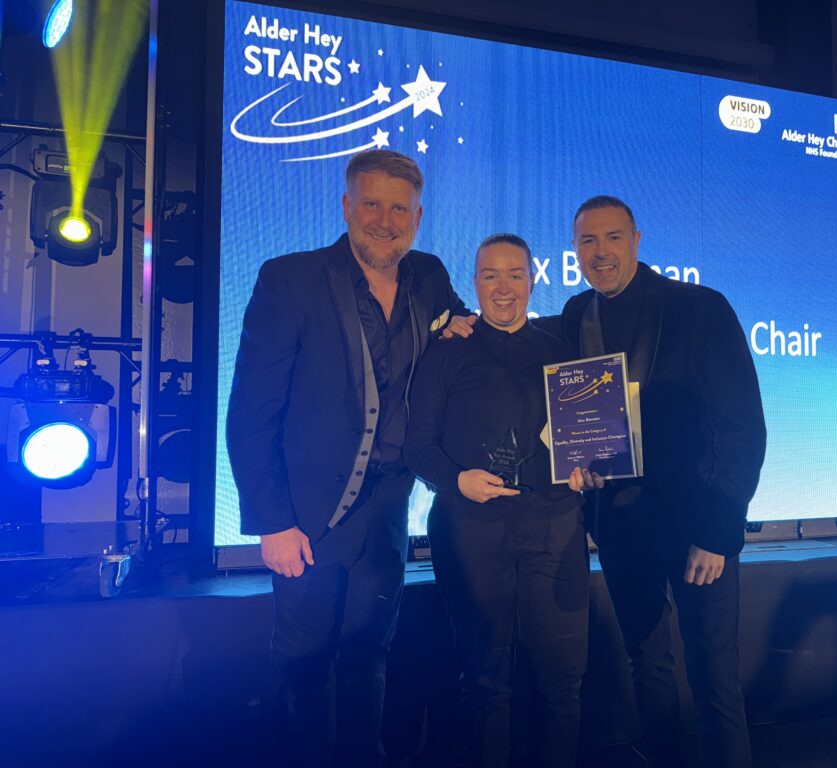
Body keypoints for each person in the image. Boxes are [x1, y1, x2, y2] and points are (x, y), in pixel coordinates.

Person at [226, 149, 475, 767]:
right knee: (302, 664)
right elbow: (252, 412)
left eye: (399, 207)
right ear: (346, 206)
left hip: (388, 512)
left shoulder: (431, 276)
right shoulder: (289, 278)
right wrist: (271, 521)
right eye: (371, 203)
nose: (384, 219)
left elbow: (460, 333)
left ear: (417, 216)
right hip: (305, 519)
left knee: (369, 659)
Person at [548, 196, 767, 768]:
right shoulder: (575, 316)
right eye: (588, 241)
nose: (601, 252)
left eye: (613, 238)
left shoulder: (699, 308)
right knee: (647, 666)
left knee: (715, 676)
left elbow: (741, 425)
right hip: (622, 528)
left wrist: (720, 531)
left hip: (698, 529)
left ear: (637, 241)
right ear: (575, 250)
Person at [404, 234, 599, 768]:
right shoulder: (447, 350)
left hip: (554, 529)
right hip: (471, 534)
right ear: (475, 283)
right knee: (486, 680)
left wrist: (588, 470)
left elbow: (588, 448)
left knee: (562, 682)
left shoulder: (562, 353)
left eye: (515, 274)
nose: (503, 287)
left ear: (533, 280)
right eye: (490, 275)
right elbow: (417, 445)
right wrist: (456, 479)